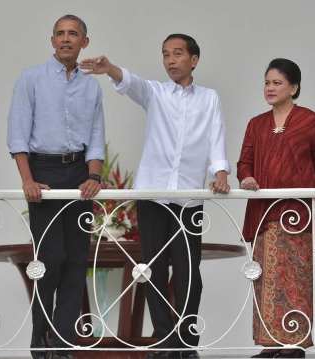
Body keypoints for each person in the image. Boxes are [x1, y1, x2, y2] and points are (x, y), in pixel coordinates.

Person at [80, 34, 230, 359]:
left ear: (194, 59)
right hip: (152, 197)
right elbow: (132, 83)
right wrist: (109, 69)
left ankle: (186, 344)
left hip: (190, 199)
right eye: (165, 54)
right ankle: (165, 343)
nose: (171, 60)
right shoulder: (157, 93)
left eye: (178, 54)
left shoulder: (209, 98)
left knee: (191, 274)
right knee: (154, 271)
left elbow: (217, 137)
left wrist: (220, 173)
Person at [237, 58, 315, 358]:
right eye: (267, 82)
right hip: (265, 214)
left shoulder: (309, 121)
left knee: (295, 279)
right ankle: (269, 344)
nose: (270, 88)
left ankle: (293, 344)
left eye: (277, 83)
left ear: (294, 87)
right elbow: (244, 162)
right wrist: (247, 177)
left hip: (298, 216)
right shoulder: (256, 124)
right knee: (265, 280)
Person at [7, 14, 105, 359]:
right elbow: (18, 134)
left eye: (73, 34)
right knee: (50, 258)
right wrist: (27, 179)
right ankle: (40, 340)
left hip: (80, 175)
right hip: (43, 173)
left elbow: (96, 138)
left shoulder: (92, 86)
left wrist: (93, 176)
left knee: (77, 260)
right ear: (52, 41)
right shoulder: (30, 79)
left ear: (84, 43)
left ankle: (63, 345)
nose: (66, 39)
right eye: (60, 34)